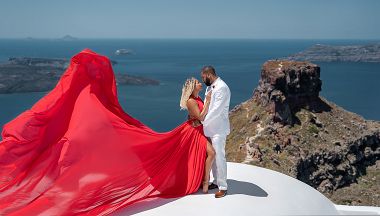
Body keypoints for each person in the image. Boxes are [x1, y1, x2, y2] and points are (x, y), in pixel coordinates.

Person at [0, 49, 213, 215]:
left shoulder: (82, 97)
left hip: (193, 131)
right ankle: (200, 183)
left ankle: (199, 182)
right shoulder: (89, 100)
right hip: (192, 130)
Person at [179, 77, 216, 193]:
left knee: (203, 155)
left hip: (201, 129)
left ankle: (201, 181)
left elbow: (202, 115)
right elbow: (200, 116)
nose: (200, 83)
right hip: (194, 132)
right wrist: (208, 101)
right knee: (212, 153)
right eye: (197, 83)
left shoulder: (198, 98)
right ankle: (205, 182)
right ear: (192, 87)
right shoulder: (191, 101)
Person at [200, 66, 231, 198]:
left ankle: (223, 187)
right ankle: (216, 181)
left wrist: (202, 121)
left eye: (203, 77)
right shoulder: (210, 87)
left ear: (209, 74)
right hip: (210, 129)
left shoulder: (222, 87)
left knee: (219, 157)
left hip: (218, 129)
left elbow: (216, 110)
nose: (202, 80)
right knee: (212, 156)